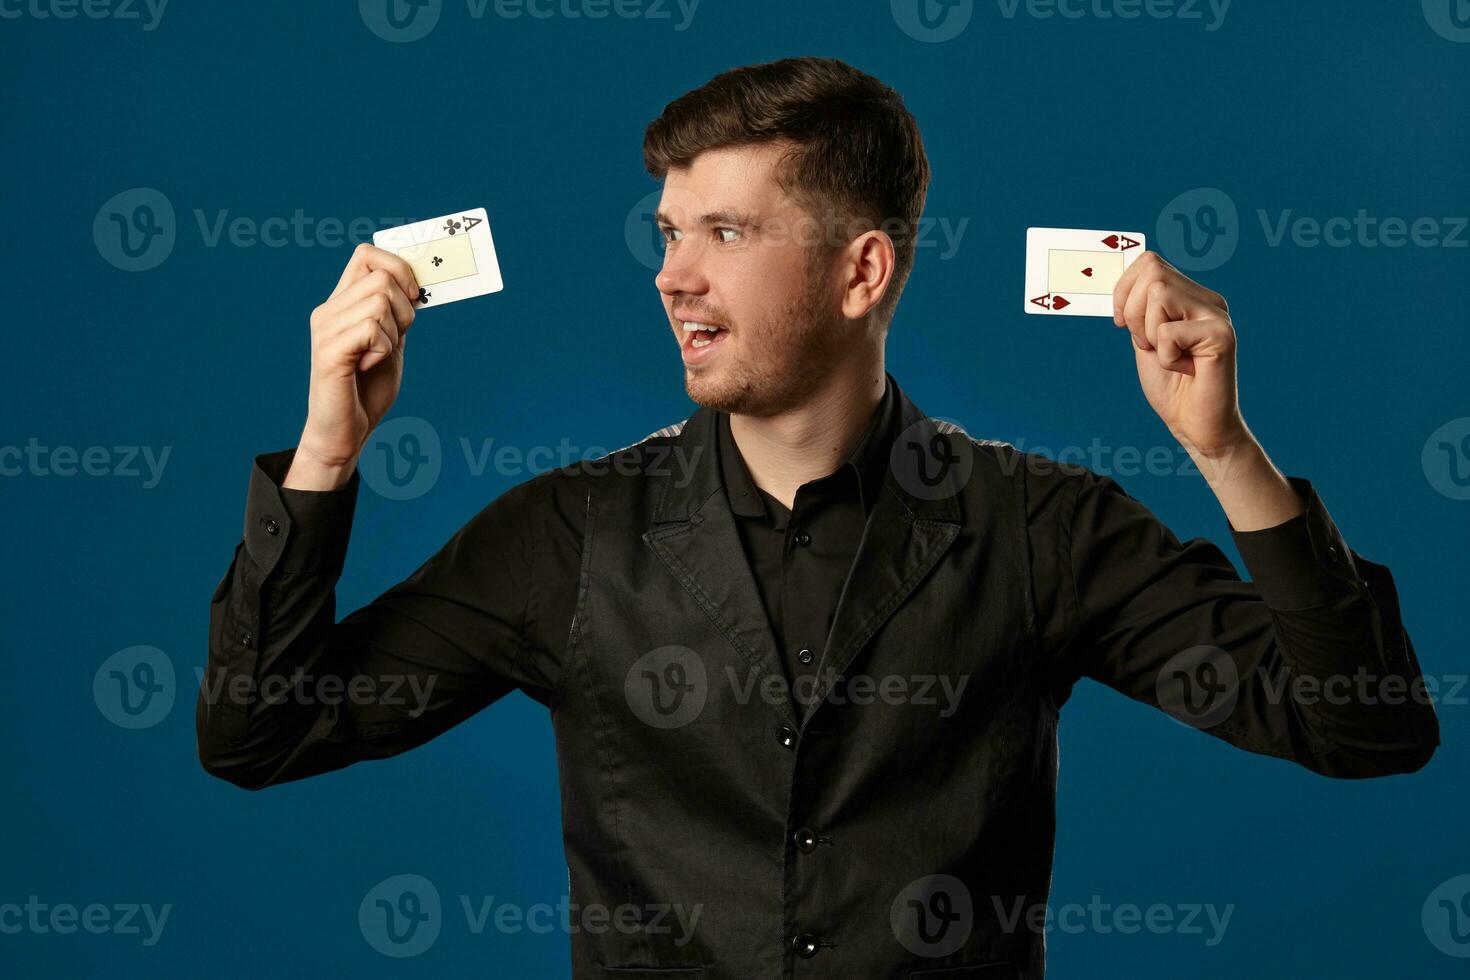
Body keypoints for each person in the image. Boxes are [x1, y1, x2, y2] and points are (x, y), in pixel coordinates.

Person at [196, 56, 1439, 979]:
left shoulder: (1039, 526)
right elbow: (260, 734)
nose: (672, 274)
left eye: (725, 233)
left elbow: (1364, 729)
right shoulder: (567, 535)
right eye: (671, 232)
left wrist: (1224, 452)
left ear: (862, 271)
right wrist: (325, 453)